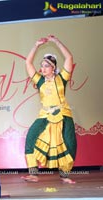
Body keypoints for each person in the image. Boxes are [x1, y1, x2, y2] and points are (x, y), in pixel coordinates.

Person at [21, 35, 77, 184]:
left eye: (46, 66)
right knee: (31, 137)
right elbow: (28, 63)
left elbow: (69, 57)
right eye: (42, 66)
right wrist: (36, 45)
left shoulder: (62, 78)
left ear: (53, 68)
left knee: (69, 142)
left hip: (63, 113)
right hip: (45, 114)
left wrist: (56, 42)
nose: (42, 68)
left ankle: (65, 175)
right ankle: (33, 173)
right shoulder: (39, 81)